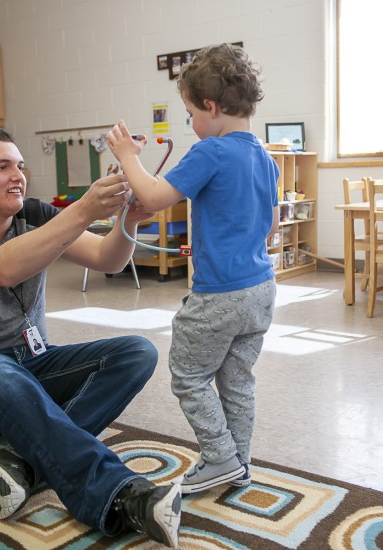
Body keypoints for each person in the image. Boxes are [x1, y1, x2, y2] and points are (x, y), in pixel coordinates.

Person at [0, 126, 181, 548]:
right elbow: (0, 267)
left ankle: (22, 465)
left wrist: (127, 221)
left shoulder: (34, 214)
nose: (18, 176)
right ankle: (120, 496)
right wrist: (82, 209)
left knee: (136, 352)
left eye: (21, 166)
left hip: (29, 363)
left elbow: (107, 259)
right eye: (2, 166)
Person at [108, 43, 280, 494]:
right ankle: (239, 463)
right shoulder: (266, 157)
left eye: (190, 114)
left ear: (211, 106)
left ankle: (219, 457)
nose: (191, 124)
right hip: (261, 289)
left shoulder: (212, 152)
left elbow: (153, 197)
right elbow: (273, 226)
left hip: (219, 294)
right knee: (237, 381)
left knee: (188, 376)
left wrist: (128, 156)